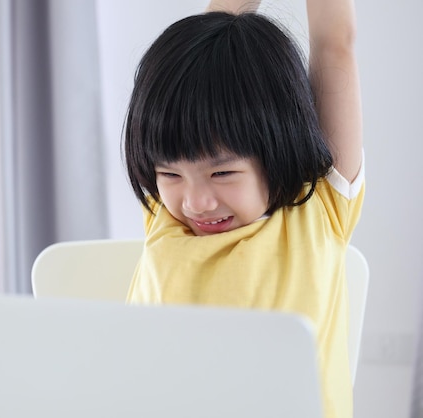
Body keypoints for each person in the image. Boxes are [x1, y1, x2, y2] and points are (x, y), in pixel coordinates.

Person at [123, 0, 363, 417]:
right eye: (171, 175)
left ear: (278, 152)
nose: (196, 202)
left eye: (222, 174)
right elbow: (209, 37)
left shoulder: (318, 212)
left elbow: (334, 42)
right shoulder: (166, 219)